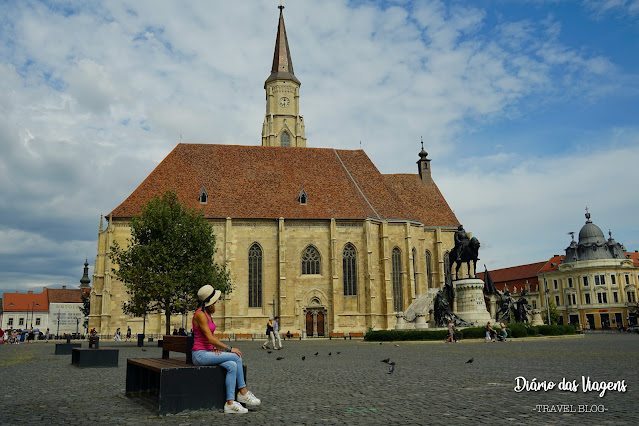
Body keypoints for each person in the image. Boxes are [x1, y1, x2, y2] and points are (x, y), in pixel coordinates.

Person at [192, 284, 261, 414]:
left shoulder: (207, 314)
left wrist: (214, 348)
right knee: (236, 356)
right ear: (209, 302)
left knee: (232, 365)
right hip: (199, 355)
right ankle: (243, 392)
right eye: (215, 301)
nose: (216, 303)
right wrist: (229, 349)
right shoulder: (200, 315)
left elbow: (209, 338)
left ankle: (229, 403)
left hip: (207, 352)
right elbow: (210, 338)